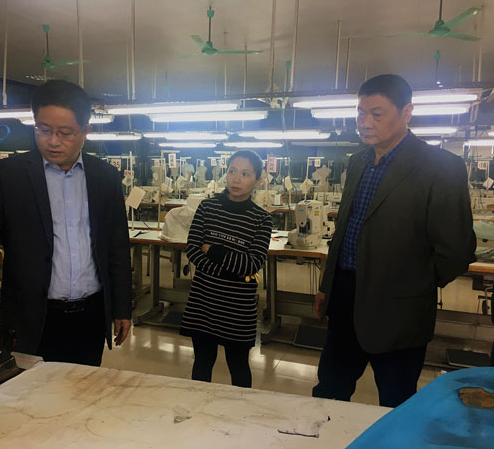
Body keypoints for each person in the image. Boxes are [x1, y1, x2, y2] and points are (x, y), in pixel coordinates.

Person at [312, 74, 476, 407]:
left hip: (399, 311)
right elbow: (344, 230)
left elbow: (457, 250)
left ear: (406, 113)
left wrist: (413, 287)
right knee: (329, 393)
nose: (365, 123)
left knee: (396, 402)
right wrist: (328, 286)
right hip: (345, 300)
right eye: (360, 113)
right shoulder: (358, 163)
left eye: (377, 113)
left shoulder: (441, 167)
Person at [0, 80, 132, 366]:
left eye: (65, 132)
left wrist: (122, 307)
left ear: (85, 131)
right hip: (30, 316)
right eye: (43, 129)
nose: (53, 141)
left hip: (90, 316)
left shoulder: (105, 177)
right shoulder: (7, 175)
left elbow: (117, 247)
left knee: (82, 388)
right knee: (29, 391)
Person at [180, 150, 273, 388]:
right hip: (204, 302)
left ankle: (240, 410)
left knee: (238, 366)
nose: (236, 179)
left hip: (237, 309)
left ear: (257, 180)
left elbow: (252, 265)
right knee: (202, 363)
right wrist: (231, 271)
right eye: (232, 171)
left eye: (245, 174)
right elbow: (192, 249)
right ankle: (199, 408)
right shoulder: (207, 208)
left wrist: (212, 250)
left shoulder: (262, 219)